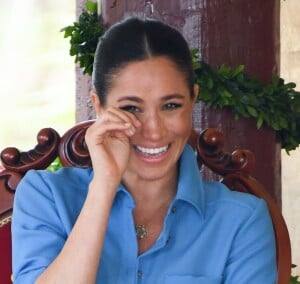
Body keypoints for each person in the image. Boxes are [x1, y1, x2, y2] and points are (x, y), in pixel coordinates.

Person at [12, 17, 277, 283]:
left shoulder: (242, 220)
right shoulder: (45, 196)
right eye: (130, 108)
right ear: (99, 105)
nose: (153, 131)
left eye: (171, 105)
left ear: (192, 99)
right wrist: (104, 186)